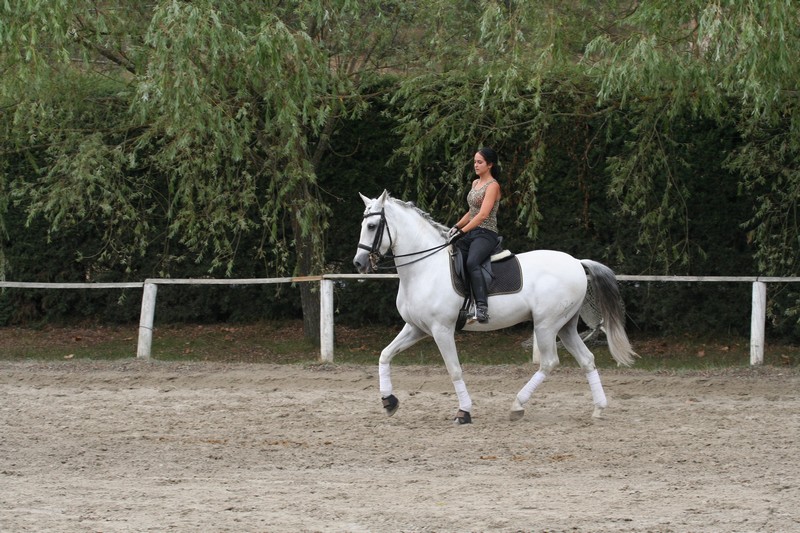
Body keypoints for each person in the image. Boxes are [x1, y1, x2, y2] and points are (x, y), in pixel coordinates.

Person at [448, 147, 502, 323]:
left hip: (487, 233)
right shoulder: (474, 183)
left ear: (490, 164)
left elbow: (483, 215)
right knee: (452, 256)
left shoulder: (493, 186)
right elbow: (472, 212)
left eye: (480, 162)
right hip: (472, 231)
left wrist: (463, 231)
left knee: (472, 262)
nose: (476, 165)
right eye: (474, 162)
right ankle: (463, 301)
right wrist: (456, 226)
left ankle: (482, 308)